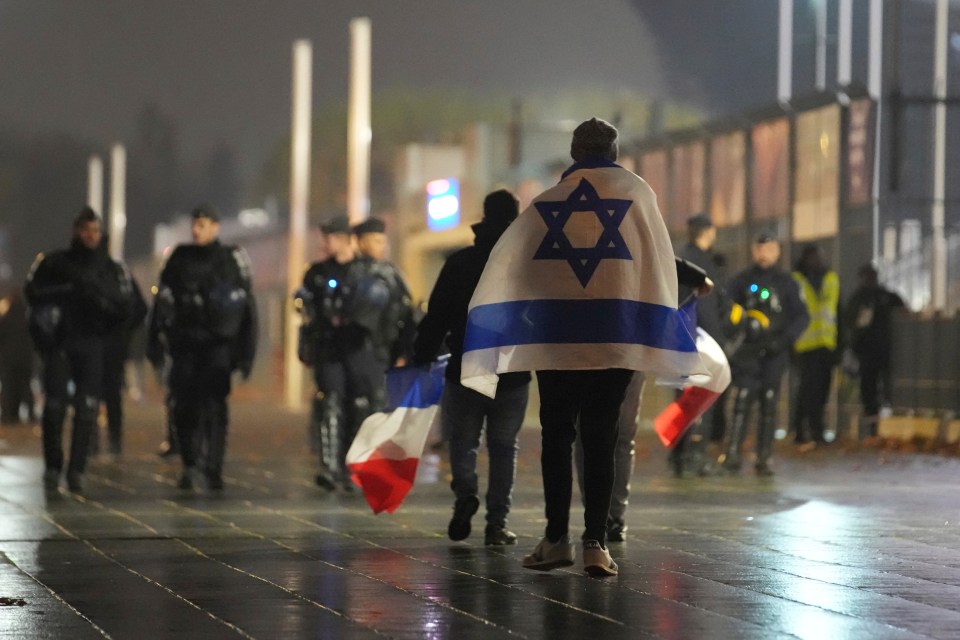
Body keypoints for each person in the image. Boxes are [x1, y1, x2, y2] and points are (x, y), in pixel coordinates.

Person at [460, 118, 702, 577]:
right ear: (613, 152)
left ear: (574, 152)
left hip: (557, 341)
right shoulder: (637, 197)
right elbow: (657, 265)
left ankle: (556, 539)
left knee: (557, 435)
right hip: (615, 337)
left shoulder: (547, 204)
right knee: (601, 437)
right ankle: (596, 542)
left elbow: (516, 267)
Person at [413, 190, 530, 547]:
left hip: (465, 366)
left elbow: (436, 317)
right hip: (512, 370)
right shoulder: (526, 265)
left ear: (483, 217)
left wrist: (423, 356)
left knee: (463, 442)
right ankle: (497, 523)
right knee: (503, 447)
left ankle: (465, 493)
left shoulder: (459, 262)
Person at [573, 256, 711, 543]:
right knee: (622, 436)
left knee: (587, 433)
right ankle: (613, 517)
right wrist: (697, 275)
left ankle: (596, 514)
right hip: (627, 345)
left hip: (585, 344)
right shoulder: (629, 230)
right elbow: (661, 253)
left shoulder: (581, 228)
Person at [24, 207, 143, 493]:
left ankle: (77, 469)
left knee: (87, 408)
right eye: (85, 230)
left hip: (92, 344)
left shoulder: (112, 270)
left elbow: (129, 308)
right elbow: (33, 294)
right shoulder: (54, 264)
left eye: (95, 231)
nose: (90, 236)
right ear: (76, 232)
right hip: (59, 344)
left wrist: (104, 310)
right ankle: (54, 466)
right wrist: (67, 290)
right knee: (54, 407)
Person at [147, 203, 258, 492]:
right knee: (184, 407)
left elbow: (246, 309)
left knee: (214, 407)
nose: (198, 230)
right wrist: (155, 344)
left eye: (204, 224)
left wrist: (246, 353)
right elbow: (162, 303)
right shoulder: (179, 259)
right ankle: (190, 464)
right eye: (195, 224)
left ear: (216, 227)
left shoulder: (230, 259)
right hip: (184, 342)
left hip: (217, 346)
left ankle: (213, 467)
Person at [299, 214, 390, 491]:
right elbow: (306, 306)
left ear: (348, 239)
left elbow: (388, 310)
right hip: (329, 347)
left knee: (360, 405)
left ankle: (356, 465)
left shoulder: (367, 271)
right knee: (330, 403)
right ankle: (329, 467)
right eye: (326, 237)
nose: (329, 243)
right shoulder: (317, 273)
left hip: (361, 348)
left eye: (335, 237)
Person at [721, 231, 809, 476]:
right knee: (742, 400)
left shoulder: (787, 282)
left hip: (775, 351)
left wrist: (784, 341)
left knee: (769, 401)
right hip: (748, 351)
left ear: (778, 251)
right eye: (760, 248)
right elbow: (727, 309)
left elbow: (802, 316)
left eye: (769, 249)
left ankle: (764, 457)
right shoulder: (741, 280)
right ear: (753, 250)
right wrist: (737, 331)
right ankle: (732, 455)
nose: (764, 254)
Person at [670, 213, 728, 476]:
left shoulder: (680, 260)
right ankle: (695, 456)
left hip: (679, 338)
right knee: (702, 397)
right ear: (708, 231)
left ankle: (679, 454)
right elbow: (706, 307)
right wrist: (719, 338)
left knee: (683, 397)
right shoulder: (704, 264)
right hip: (700, 338)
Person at [91, 251, 147, 457]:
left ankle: (99, 441)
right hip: (106, 345)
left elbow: (138, 309)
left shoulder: (117, 274)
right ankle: (105, 441)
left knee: (97, 395)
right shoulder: (118, 274)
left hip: (108, 345)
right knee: (102, 396)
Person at [844, 263, 905, 438]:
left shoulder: (885, 296)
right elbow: (850, 322)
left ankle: (886, 420)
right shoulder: (858, 299)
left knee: (887, 386)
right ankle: (873, 428)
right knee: (868, 388)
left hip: (885, 350)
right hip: (866, 352)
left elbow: (902, 309)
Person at [791, 244, 839, 449]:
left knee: (822, 390)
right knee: (809, 390)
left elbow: (839, 311)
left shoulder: (831, 279)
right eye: (814, 257)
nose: (818, 260)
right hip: (805, 344)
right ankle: (809, 431)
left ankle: (810, 431)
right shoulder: (797, 280)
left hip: (826, 344)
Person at [352, 217, 417, 368]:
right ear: (361, 242)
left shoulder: (391, 271)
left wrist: (406, 349)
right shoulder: (354, 273)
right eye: (376, 241)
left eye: (383, 241)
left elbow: (405, 307)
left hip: (392, 349)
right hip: (364, 351)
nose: (382, 246)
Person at [0, 289, 36, 425]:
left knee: (8, 387)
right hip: (25, 359)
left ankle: (9, 415)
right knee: (25, 386)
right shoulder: (27, 319)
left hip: (8, 360)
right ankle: (31, 414)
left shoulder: (5, 319)